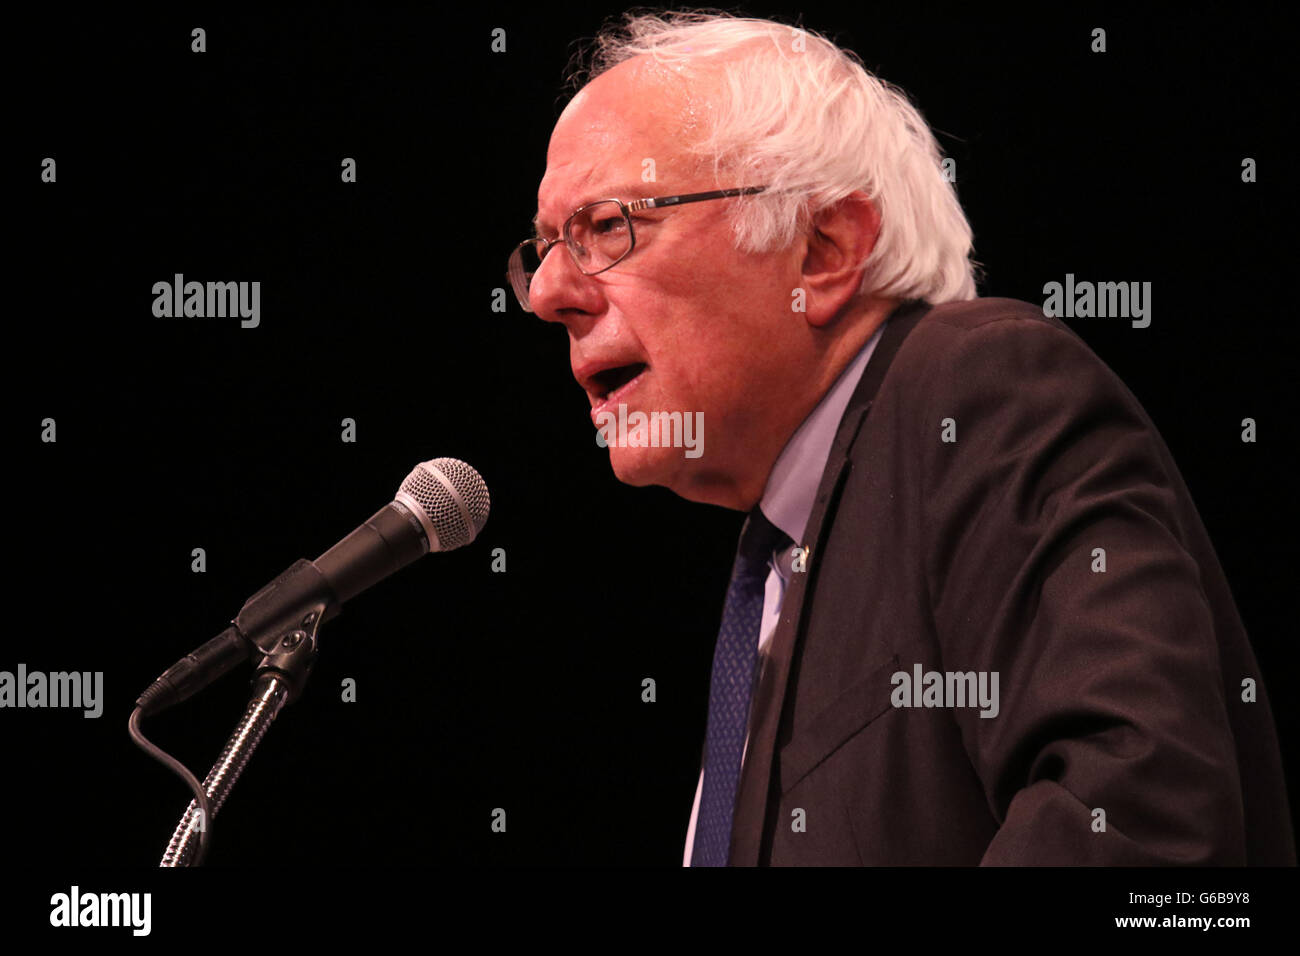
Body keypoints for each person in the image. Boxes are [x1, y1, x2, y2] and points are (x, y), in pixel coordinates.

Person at [506, 11, 1294, 865]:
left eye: (608, 226)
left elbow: (1142, 823)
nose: (548, 292)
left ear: (825, 248)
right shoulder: (780, 559)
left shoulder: (980, 390)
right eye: (544, 247)